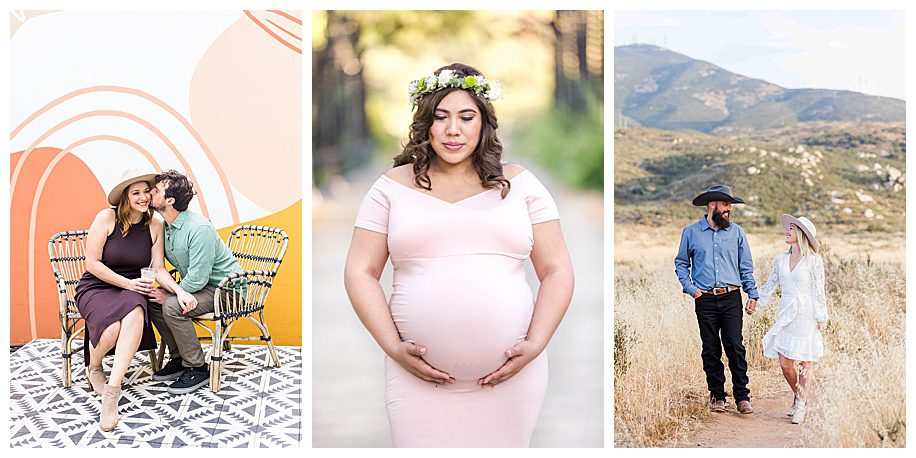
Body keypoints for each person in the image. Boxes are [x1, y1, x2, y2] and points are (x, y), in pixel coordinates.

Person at [343, 63, 574, 447]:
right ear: (425, 125)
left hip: (514, 379)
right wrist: (392, 346)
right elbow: (359, 270)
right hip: (415, 379)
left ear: (484, 123)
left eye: (467, 117)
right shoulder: (389, 188)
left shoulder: (522, 185)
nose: (453, 130)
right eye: (441, 117)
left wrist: (536, 343)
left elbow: (558, 269)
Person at [74, 169, 163, 431]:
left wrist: (163, 287)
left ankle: (112, 394)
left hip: (133, 288)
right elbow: (92, 263)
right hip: (97, 286)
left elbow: (157, 267)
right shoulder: (107, 217)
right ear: (125, 197)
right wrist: (127, 283)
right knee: (112, 329)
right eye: (136, 193)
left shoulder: (155, 225)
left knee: (136, 311)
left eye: (146, 191)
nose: (143, 197)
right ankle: (94, 366)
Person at [145, 170, 242, 394]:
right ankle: (180, 357)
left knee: (171, 305)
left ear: (169, 200)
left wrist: (171, 295)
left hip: (225, 290)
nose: (151, 192)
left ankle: (197, 367)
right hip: (200, 287)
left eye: (156, 190)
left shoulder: (198, 229)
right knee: (153, 301)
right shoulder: (166, 226)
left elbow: (198, 278)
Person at [675, 184, 758, 415]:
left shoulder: (737, 233)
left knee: (735, 346)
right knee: (710, 348)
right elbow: (681, 263)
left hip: (731, 297)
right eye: (725, 204)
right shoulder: (691, 232)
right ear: (712, 205)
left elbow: (746, 267)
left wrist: (752, 293)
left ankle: (742, 397)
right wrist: (691, 289)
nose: (729, 209)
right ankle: (717, 396)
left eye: (730, 205)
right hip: (705, 300)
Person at [746, 215, 828, 424]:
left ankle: (800, 404)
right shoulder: (781, 259)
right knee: (785, 364)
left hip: (807, 313)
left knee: (806, 361)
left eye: (791, 228)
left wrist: (821, 316)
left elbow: (819, 291)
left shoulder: (814, 261)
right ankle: (799, 394)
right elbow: (770, 284)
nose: (787, 231)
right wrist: (756, 300)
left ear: (801, 234)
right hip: (786, 312)